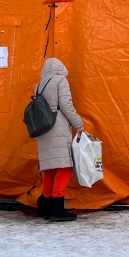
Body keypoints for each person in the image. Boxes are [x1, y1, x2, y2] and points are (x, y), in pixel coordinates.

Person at [35, 57, 84, 222]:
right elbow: (66, 105)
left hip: (43, 130)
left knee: (50, 169)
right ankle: (57, 209)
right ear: (60, 67)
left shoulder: (39, 85)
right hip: (58, 128)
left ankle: (47, 208)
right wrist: (79, 124)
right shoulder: (60, 80)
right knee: (64, 168)